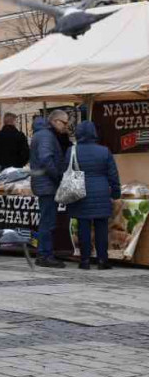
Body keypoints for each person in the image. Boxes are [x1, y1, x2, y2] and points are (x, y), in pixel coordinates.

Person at [65, 121, 120, 270]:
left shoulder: (72, 151)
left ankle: (85, 261)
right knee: (101, 228)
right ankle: (103, 260)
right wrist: (116, 193)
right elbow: (113, 175)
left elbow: (65, 171)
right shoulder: (104, 151)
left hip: (80, 193)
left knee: (83, 228)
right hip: (101, 192)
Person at [30, 110, 69, 268]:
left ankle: (44, 253)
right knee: (48, 221)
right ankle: (45, 255)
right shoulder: (46, 136)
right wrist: (58, 176)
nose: (66, 126)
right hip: (47, 184)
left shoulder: (42, 134)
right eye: (64, 122)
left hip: (43, 183)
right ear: (55, 121)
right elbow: (46, 159)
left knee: (46, 220)